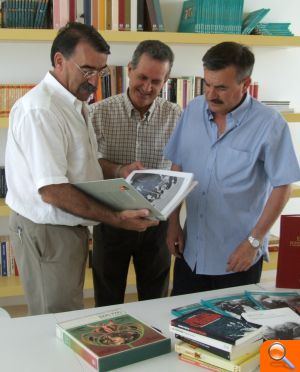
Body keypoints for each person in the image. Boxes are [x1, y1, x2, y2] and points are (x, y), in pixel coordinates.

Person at [5, 23, 157, 315]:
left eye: (100, 72)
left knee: (69, 312)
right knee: (56, 317)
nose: (95, 81)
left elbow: (77, 165)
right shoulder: (42, 110)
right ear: (59, 61)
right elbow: (52, 190)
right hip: (49, 230)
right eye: (87, 70)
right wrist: (115, 218)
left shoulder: (73, 102)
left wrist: (116, 171)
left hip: (67, 228)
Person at [164, 41, 300, 295]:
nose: (211, 95)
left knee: (233, 331)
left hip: (238, 258)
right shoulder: (192, 111)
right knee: (181, 326)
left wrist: (254, 241)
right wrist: (172, 222)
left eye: (222, 88)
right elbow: (177, 167)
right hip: (190, 253)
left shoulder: (270, 124)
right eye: (207, 84)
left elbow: (283, 186)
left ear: (245, 84)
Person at [90, 40, 182, 306]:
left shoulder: (176, 116)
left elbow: (182, 165)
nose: (147, 87)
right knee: (107, 300)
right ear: (129, 70)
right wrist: (119, 169)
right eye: (142, 77)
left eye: (156, 81)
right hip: (111, 219)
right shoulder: (98, 113)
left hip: (157, 223)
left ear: (166, 80)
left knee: (156, 300)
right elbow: (89, 164)